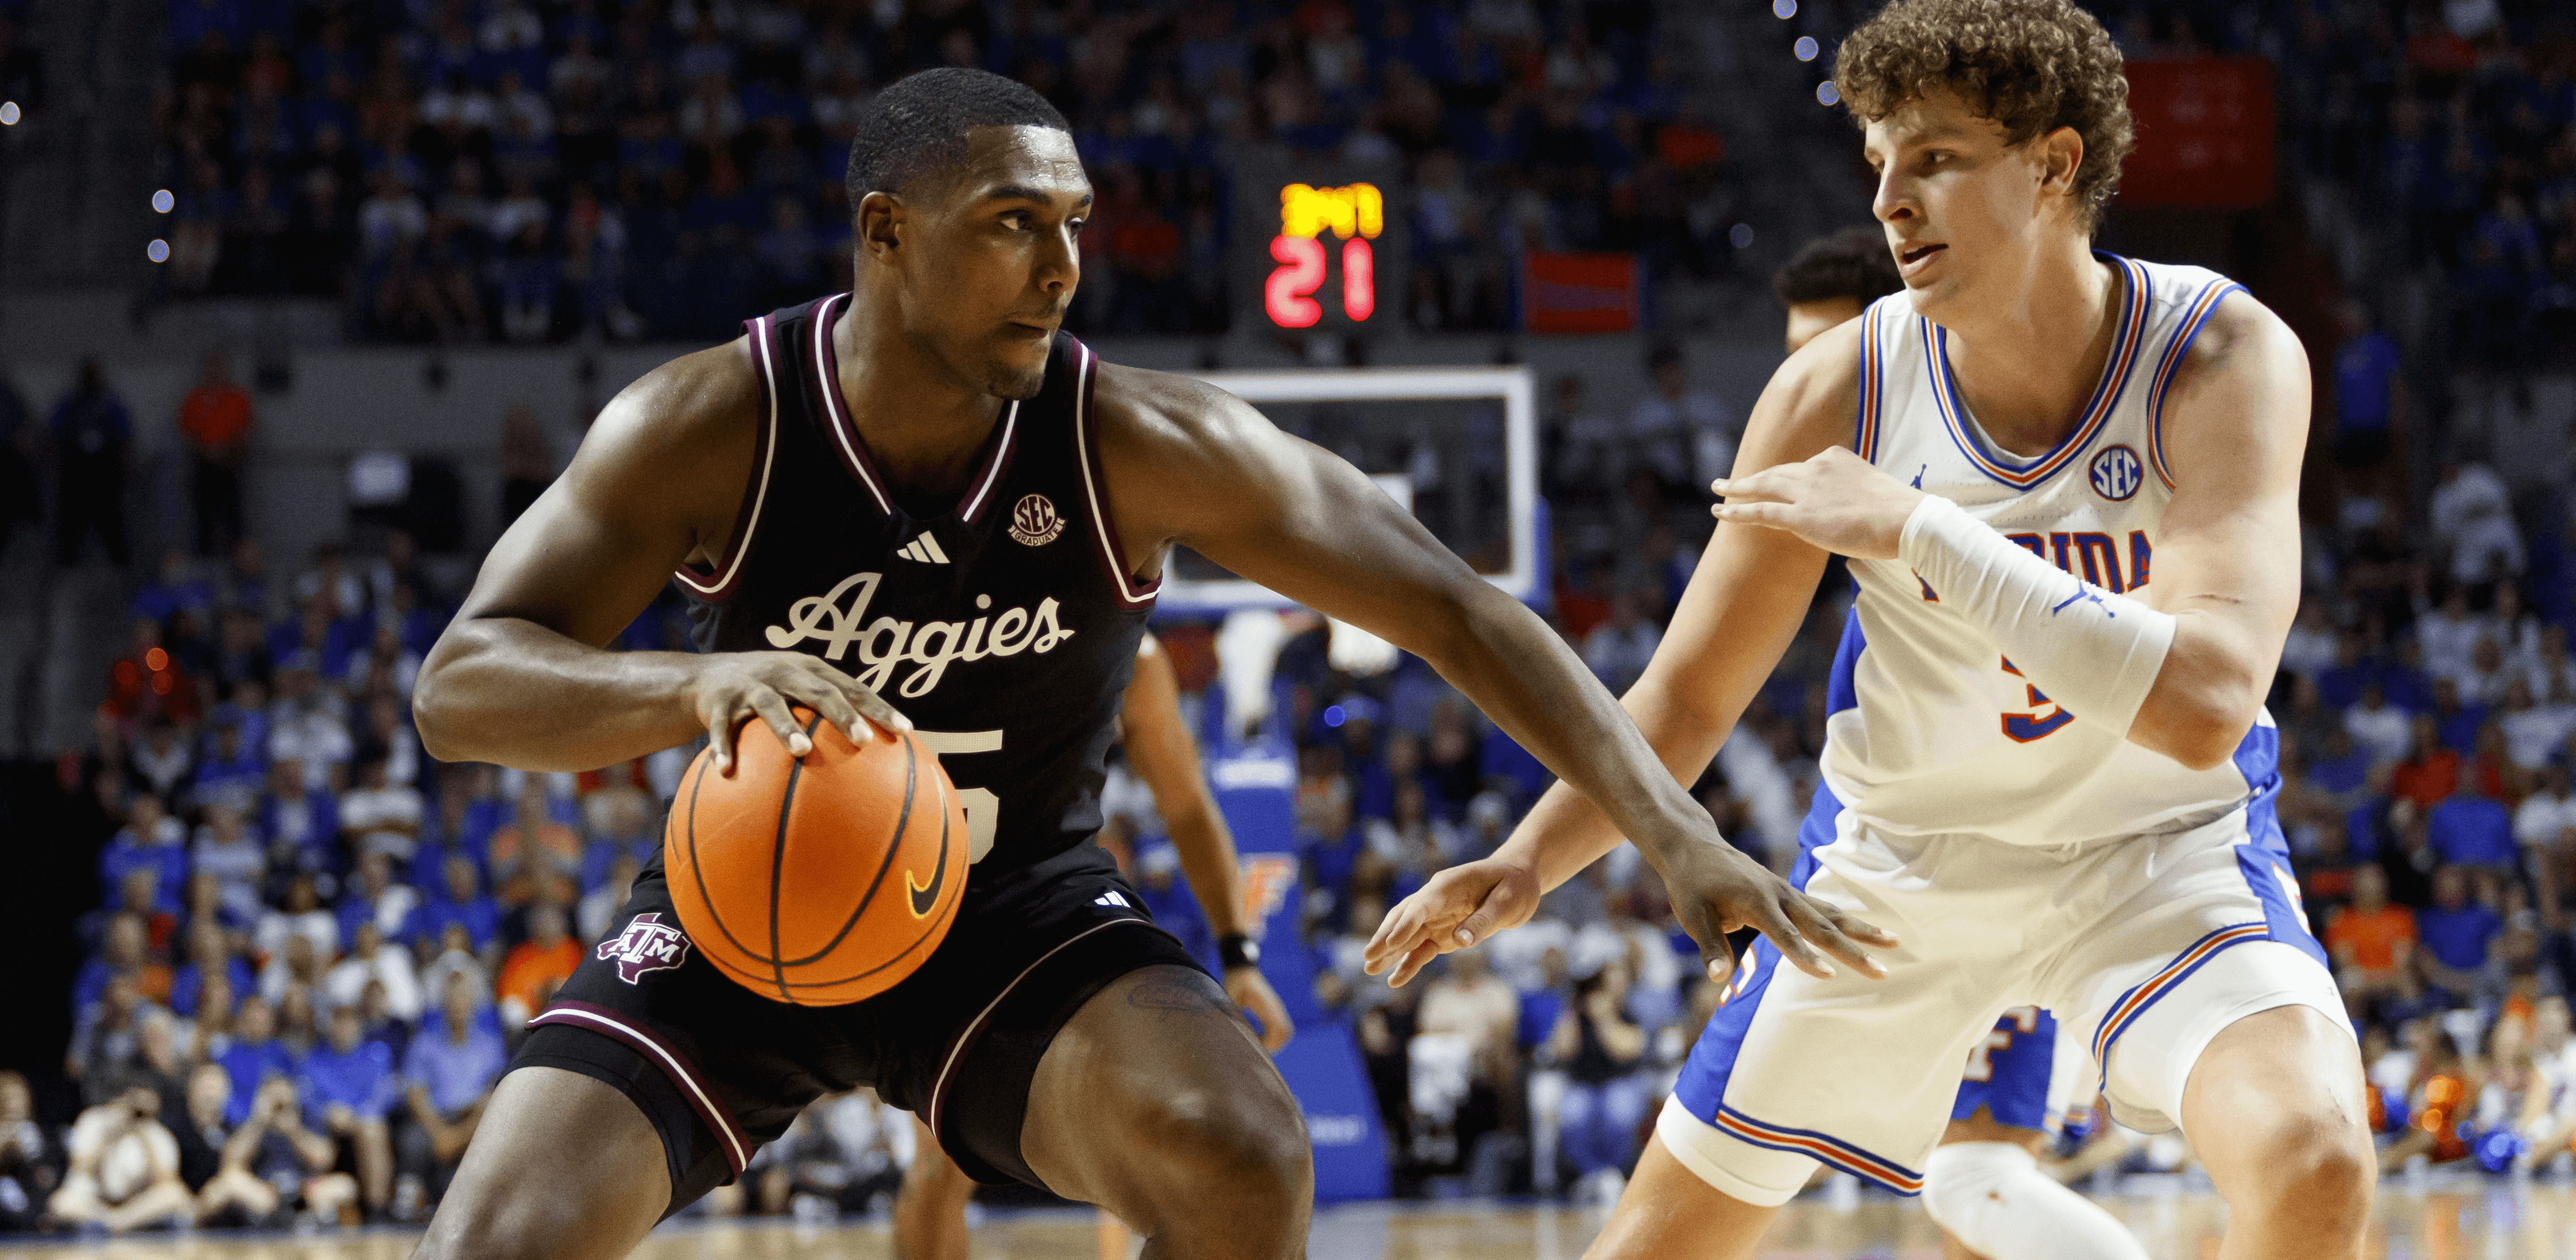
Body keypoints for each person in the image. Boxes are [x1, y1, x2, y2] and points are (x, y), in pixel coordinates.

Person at [406, 67, 1865, 1260]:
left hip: (1013, 918)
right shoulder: (712, 421)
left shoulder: (1137, 440)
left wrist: (1676, 836)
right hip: (736, 924)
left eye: (1077, 222)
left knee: (1242, 1154)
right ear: (886, 232)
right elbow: (461, 685)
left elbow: (1458, 610)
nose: (1063, 267)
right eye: (1012, 223)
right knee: (492, 1241)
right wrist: (694, 684)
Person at [1366, 2, 2369, 1256]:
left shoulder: (2215, 353)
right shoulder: (1832, 388)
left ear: (2053, 164)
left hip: (2156, 853)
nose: (1890, 199)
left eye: (1934, 158)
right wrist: (1524, 859)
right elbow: (1684, 692)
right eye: (1878, 163)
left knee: (2313, 1155)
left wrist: (1919, 531)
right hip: (1905, 866)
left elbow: (2205, 704)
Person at [1771, 226, 2143, 1260]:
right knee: (1963, 1201)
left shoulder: (1983, 545)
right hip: (1959, 887)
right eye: (1789, 365)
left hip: (2035, 887)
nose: (1801, 400)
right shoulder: (1901, 576)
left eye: (1824, 362)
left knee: (1972, 1178)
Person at [892, 632, 1297, 1259]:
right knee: (936, 1163)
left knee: (1206, 1151)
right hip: (903, 909)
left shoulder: (1131, 657)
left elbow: (1187, 805)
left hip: (1041, 916)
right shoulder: (910, 617)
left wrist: (1239, 956)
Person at [47, 1085, 193, 1232]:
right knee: (62, 1203)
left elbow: (167, 1181)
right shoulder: (93, 1120)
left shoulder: (157, 1132)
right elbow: (80, 1168)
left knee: (176, 1195)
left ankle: (119, 1224)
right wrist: (109, 1136)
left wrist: (142, 1135)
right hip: (96, 1204)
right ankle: (113, 1223)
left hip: (136, 1207)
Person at [49, 357, 133, 568]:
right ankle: (66, 562)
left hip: (104, 469)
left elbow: (124, 438)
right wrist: (57, 466)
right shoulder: (69, 402)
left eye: (94, 374)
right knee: (70, 519)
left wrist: (124, 467)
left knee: (111, 517)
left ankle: (120, 562)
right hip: (77, 468)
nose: (90, 379)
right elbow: (56, 435)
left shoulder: (111, 403)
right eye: (87, 375)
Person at [177, 349, 254, 556]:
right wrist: (206, 452)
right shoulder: (195, 398)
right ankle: (205, 562)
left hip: (229, 466)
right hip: (204, 466)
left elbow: (246, 432)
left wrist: (228, 454)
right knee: (204, 519)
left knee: (233, 518)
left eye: (218, 365)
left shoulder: (238, 397)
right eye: (210, 366)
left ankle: (239, 564)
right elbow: (187, 434)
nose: (214, 370)